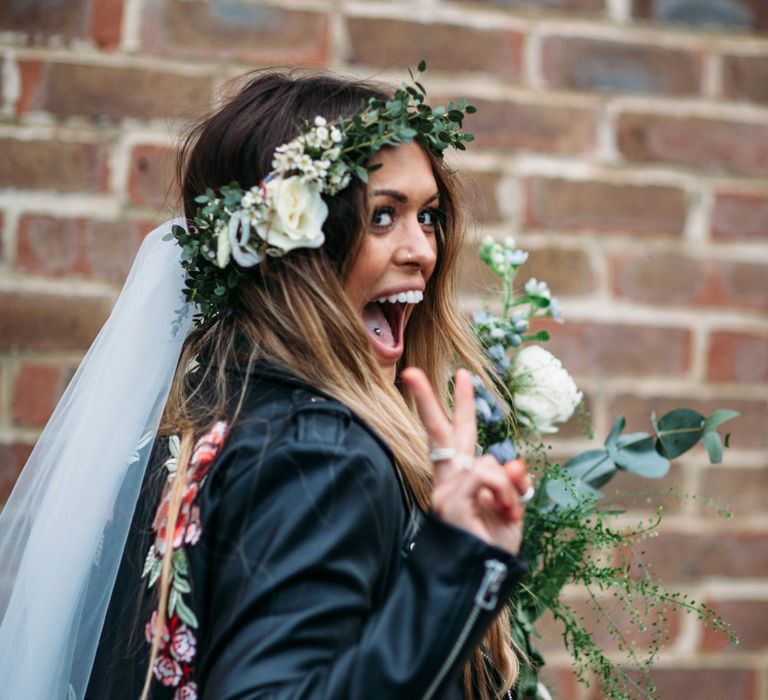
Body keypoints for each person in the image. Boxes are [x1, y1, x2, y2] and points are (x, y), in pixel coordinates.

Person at [0, 69, 533, 700]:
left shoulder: (190, 423)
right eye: (383, 216)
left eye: (430, 216)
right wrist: (457, 565)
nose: (424, 249)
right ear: (294, 246)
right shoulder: (322, 452)